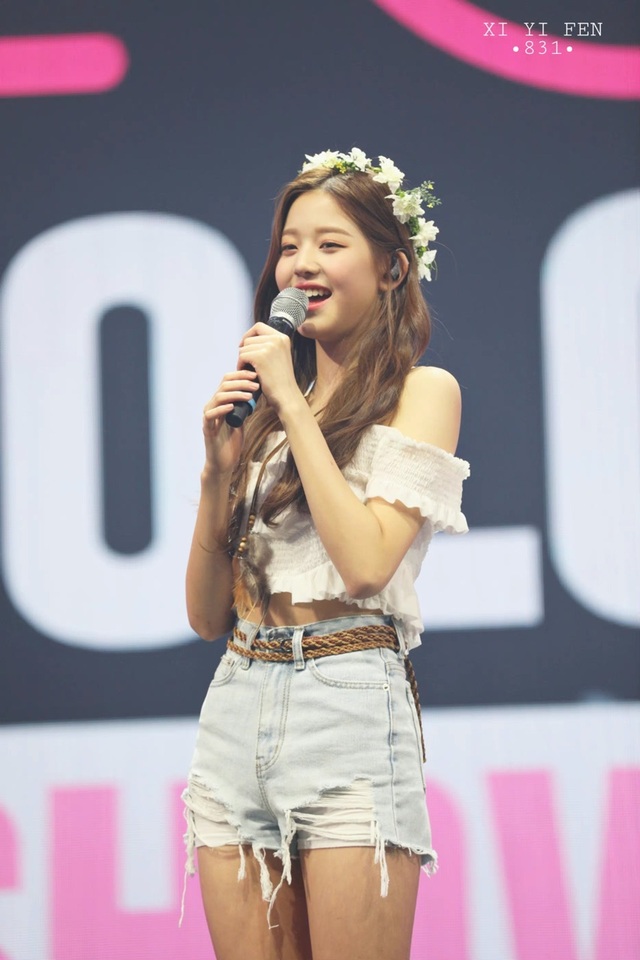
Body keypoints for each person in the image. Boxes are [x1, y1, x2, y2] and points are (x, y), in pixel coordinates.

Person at [181, 148, 470, 960]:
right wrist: (217, 473)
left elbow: (367, 564)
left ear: (391, 268)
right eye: (289, 246)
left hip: (347, 699)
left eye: (330, 244)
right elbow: (205, 616)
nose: (301, 264)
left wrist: (292, 404)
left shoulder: (422, 392)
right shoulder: (271, 412)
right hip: (238, 697)